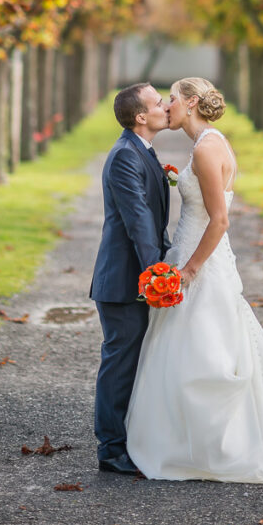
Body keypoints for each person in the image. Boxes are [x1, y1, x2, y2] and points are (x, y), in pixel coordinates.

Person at [125, 76, 263, 483]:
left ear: (192, 102)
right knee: (186, 349)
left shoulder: (207, 149)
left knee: (205, 350)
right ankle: (185, 441)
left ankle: (214, 447)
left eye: (173, 99)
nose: (167, 106)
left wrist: (190, 270)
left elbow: (219, 220)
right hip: (191, 252)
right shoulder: (206, 143)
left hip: (202, 262)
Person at [90, 81, 170, 474]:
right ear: (141, 116)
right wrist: (155, 273)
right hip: (124, 281)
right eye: (159, 102)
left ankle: (130, 440)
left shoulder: (142, 151)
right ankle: (110, 449)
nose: (167, 105)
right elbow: (137, 220)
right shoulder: (125, 156)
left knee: (135, 361)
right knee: (120, 363)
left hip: (134, 276)